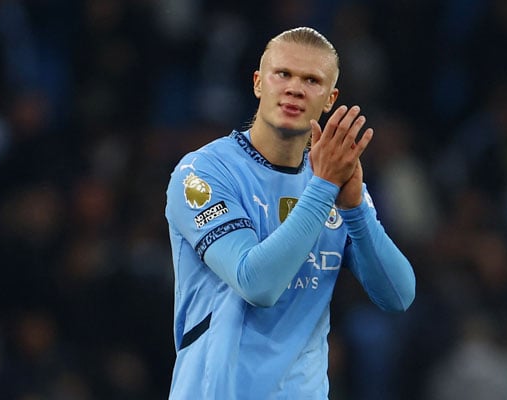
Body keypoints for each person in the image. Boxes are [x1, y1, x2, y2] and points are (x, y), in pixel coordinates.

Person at [165, 26, 416, 399]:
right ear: (258, 83)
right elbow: (257, 283)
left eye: (312, 80)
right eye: (283, 74)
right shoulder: (202, 172)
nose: (295, 87)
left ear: (330, 99)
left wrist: (355, 210)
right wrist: (324, 188)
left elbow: (398, 294)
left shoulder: (330, 179)